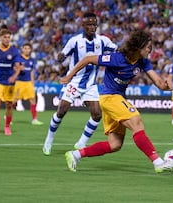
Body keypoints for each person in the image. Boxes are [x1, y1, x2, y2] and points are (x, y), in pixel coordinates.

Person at [61, 29, 173, 173]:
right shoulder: (117, 58)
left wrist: (168, 85)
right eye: (148, 48)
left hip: (116, 100)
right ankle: (158, 162)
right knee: (136, 121)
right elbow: (88, 59)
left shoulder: (143, 62)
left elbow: (159, 83)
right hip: (109, 97)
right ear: (138, 47)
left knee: (114, 144)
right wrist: (69, 77)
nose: (150, 51)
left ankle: (75, 155)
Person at [42, 12, 117, 155]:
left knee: (97, 114)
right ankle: (49, 139)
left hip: (90, 84)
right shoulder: (75, 41)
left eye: (94, 24)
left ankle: (81, 142)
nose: (92, 27)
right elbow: (63, 54)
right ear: (82, 25)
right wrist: (60, 56)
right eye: (89, 24)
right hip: (74, 81)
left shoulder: (103, 41)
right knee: (62, 110)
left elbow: (117, 49)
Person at [13, 42, 43, 125]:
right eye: (25, 48)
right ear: (22, 49)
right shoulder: (18, 58)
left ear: (30, 50)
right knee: (14, 101)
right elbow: (14, 68)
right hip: (19, 82)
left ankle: (34, 119)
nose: (27, 50)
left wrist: (32, 81)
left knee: (33, 100)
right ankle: (9, 117)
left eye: (28, 48)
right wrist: (18, 69)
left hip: (28, 82)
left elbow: (32, 71)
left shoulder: (31, 60)